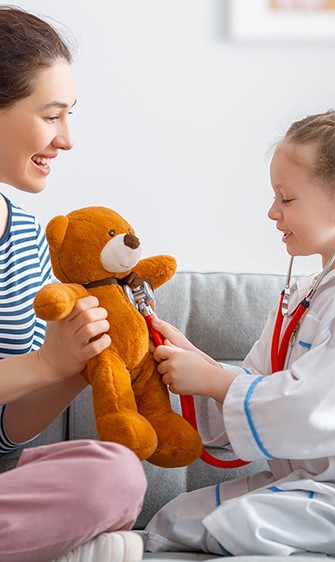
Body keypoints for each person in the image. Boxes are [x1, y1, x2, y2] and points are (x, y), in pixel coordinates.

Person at [145, 109, 335, 557]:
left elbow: (313, 407)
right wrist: (189, 356)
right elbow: (255, 384)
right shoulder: (302, 296)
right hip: (301, 483)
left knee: (242, 523)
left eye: (286, 199)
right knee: (174, 517)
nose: (272, 212)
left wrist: (212, 379)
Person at [0, 6, 147, 562]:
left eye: (70, 115)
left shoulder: (27, 237)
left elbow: (6, 435)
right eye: (52, 115)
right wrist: (43, 364)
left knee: (113, 474)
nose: (67, 139)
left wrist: (75, 362)